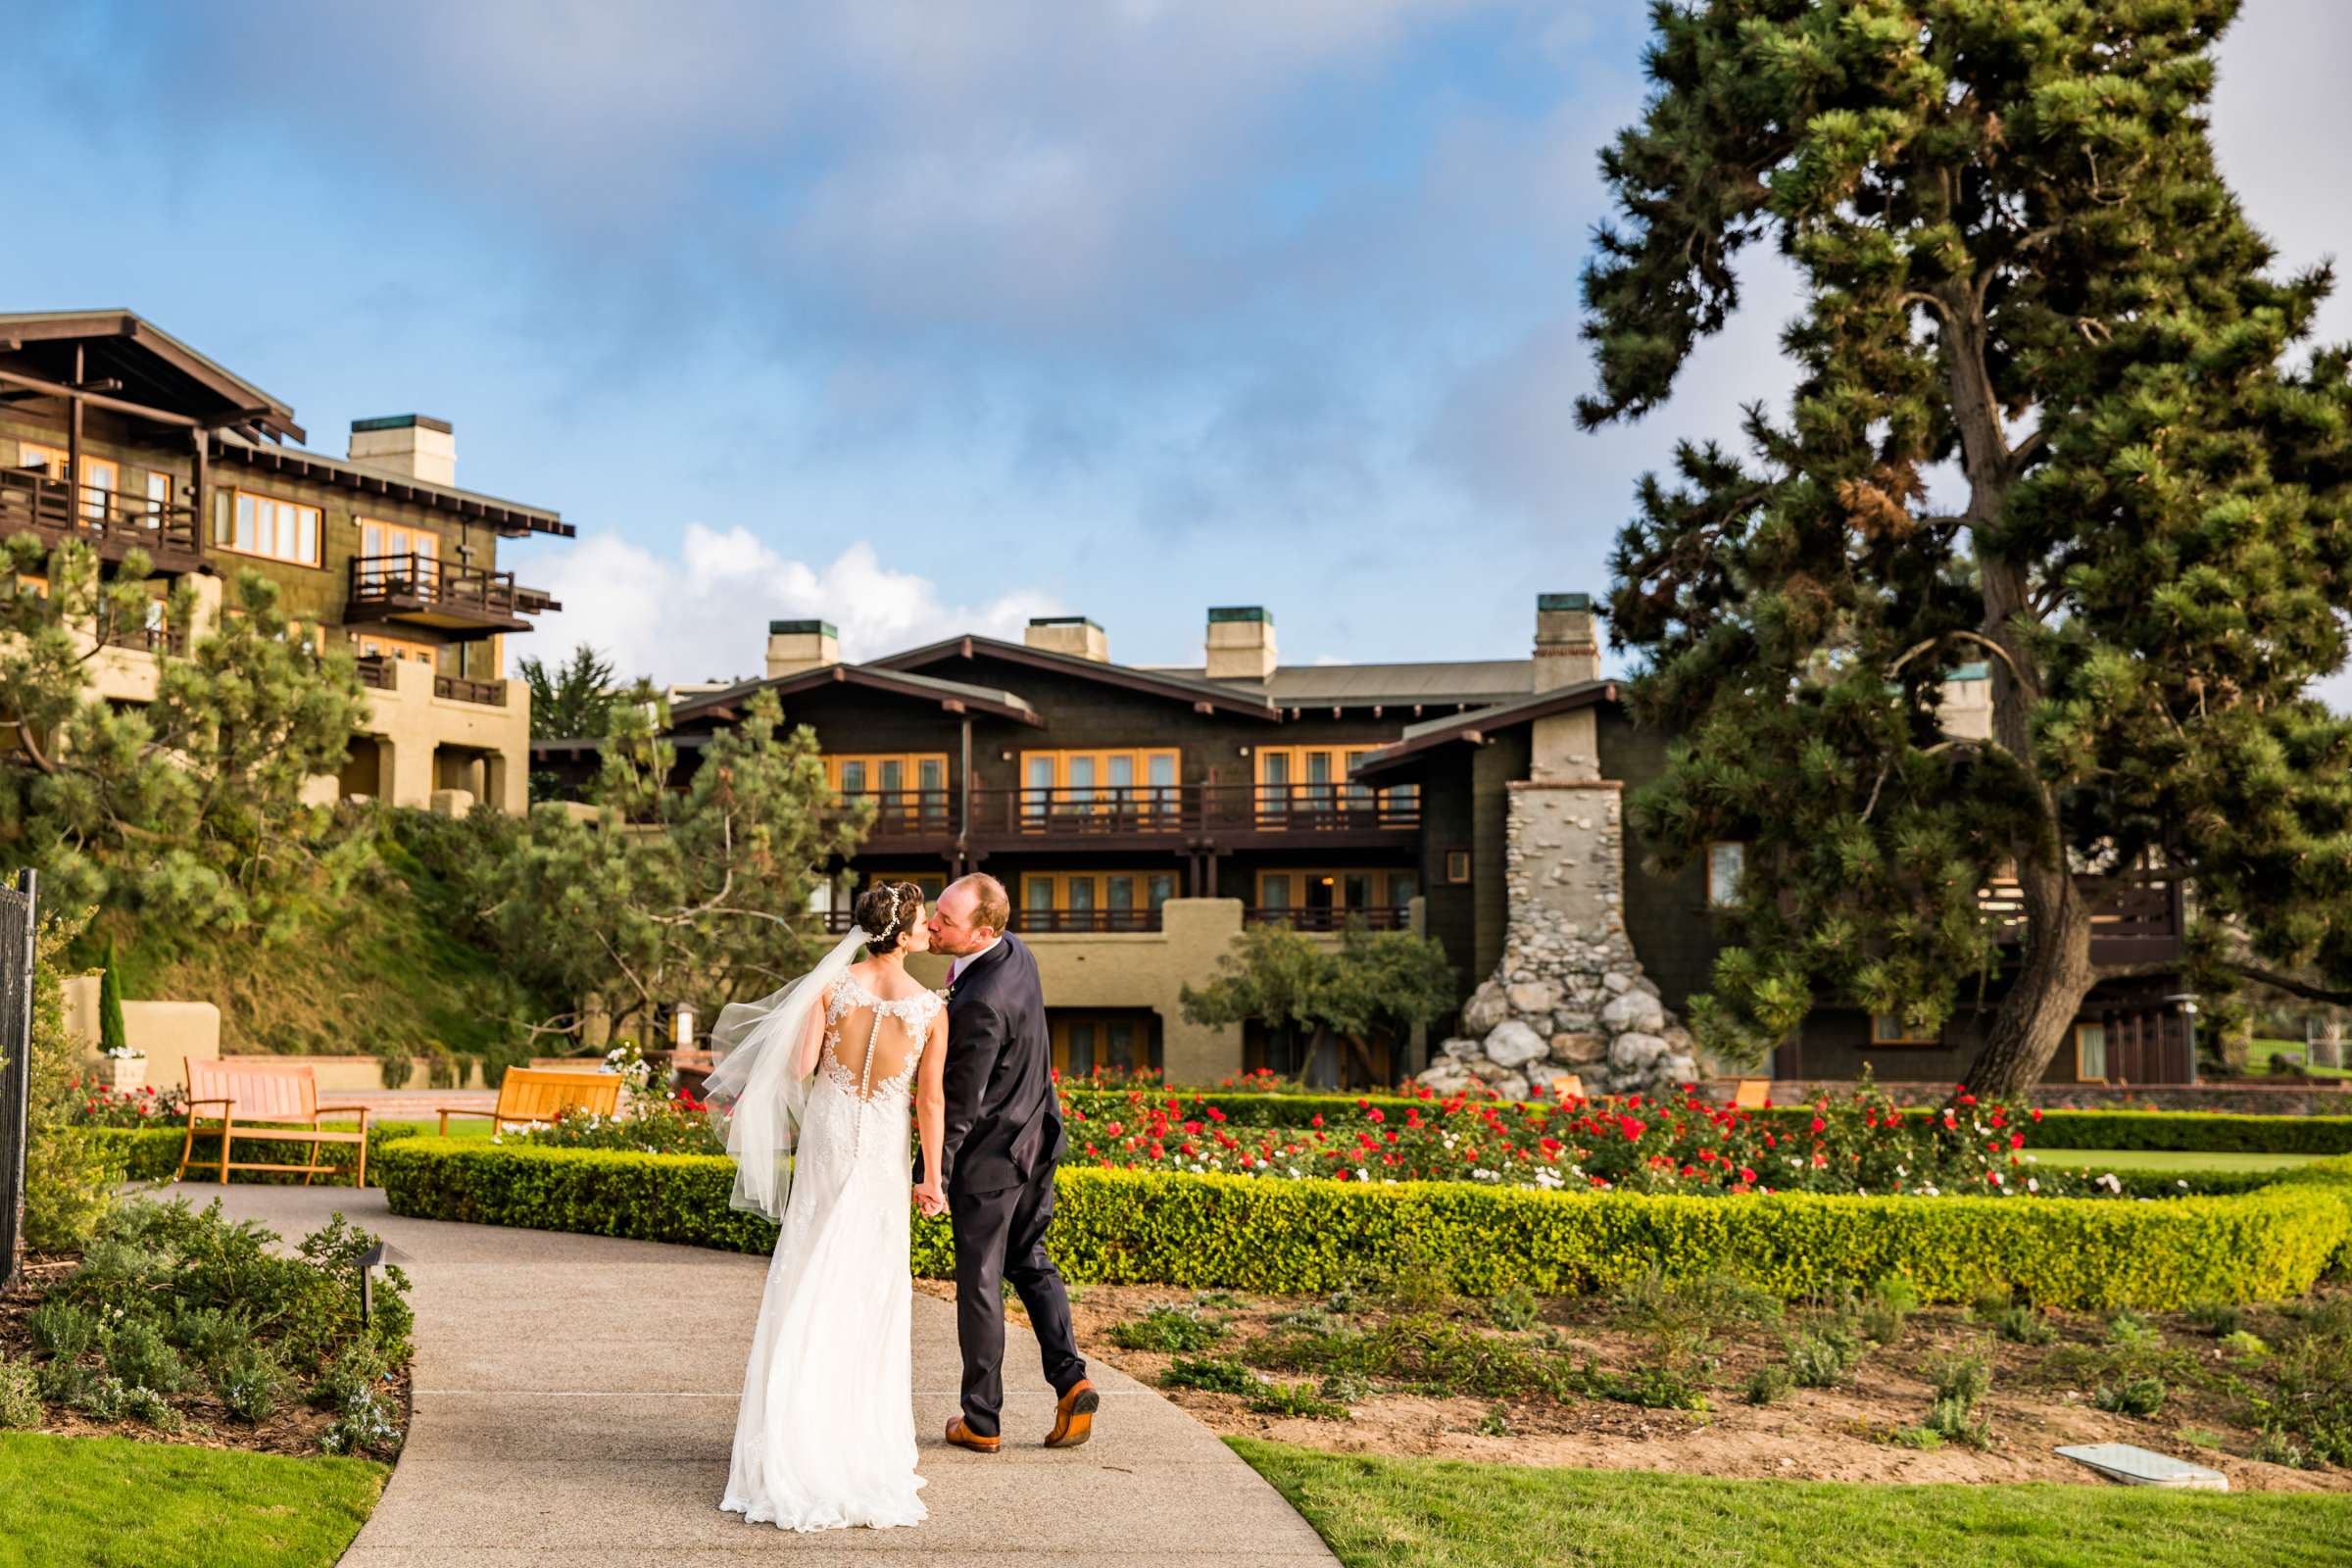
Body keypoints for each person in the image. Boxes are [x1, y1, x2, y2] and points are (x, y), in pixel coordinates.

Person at [706, 880, 946, 1532]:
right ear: (900, 934)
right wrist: (933, 1177)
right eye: (923, 922)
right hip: (882, 1153)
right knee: (868, 1283)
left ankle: (788, 1434)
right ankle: (853, 1439)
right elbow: (929, 1102)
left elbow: (803, 1065)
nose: (929, 930)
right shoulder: (930, 1007)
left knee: (808, 1269)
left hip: (829, 1137)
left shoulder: (831, 988)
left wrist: (815, 1005)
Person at [920, 873, 1096, 1453]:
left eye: (945, 921)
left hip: (992, 1163)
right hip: (1037, 1140)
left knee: (979, 1284)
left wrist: (935, 1176)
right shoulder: (1017, 954)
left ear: (984, 932)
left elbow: (961, 1106)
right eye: (936, 912)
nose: (931, 925)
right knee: (1032, 1260)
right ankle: (1072, 1384)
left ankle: (981, 1421)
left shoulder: (979, 1003)